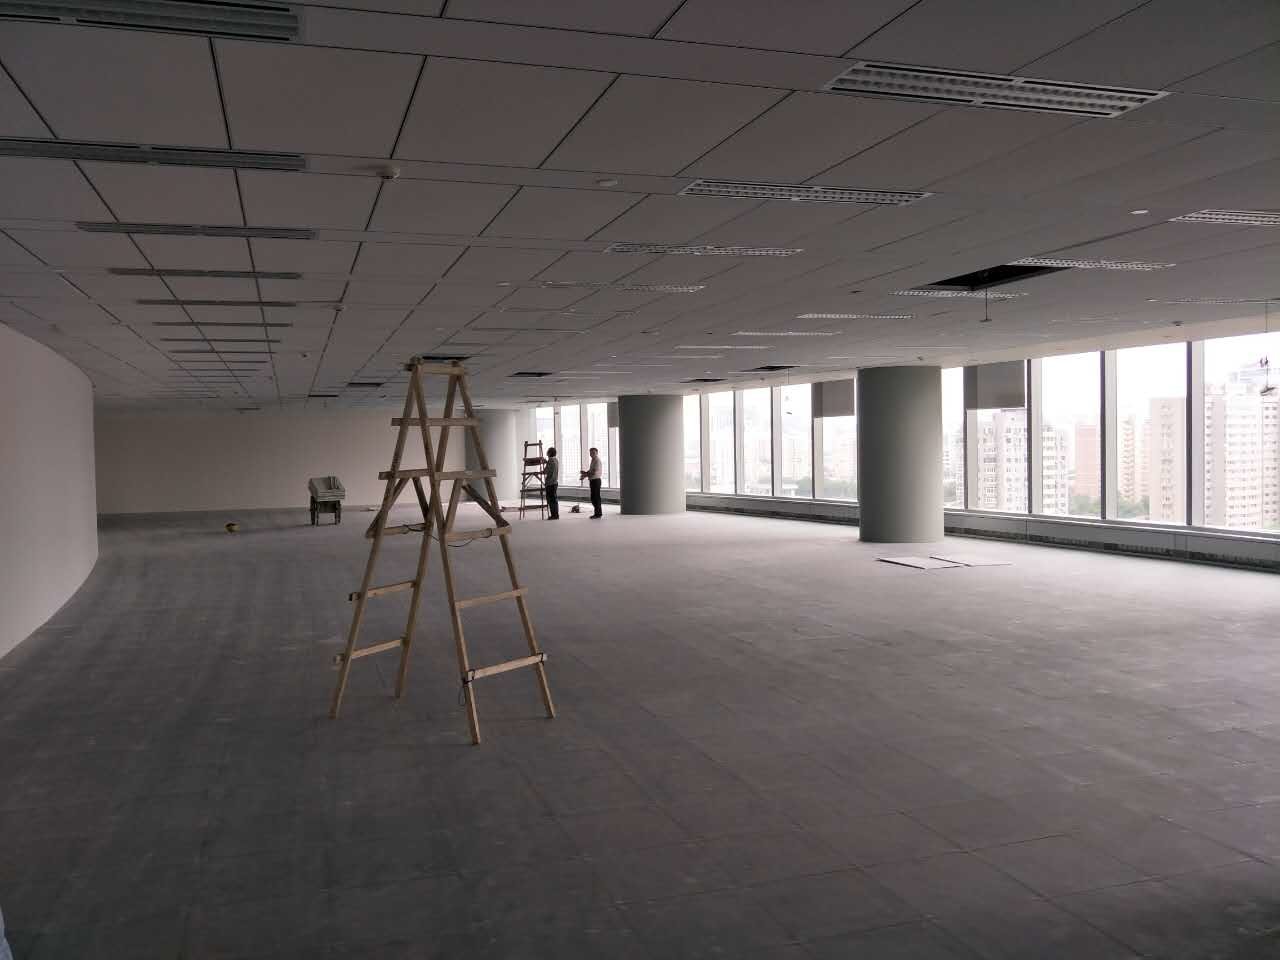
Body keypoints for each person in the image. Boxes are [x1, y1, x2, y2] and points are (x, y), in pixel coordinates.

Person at [581, 446, 603, 519]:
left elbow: (593, 472)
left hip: (596, 481)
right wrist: (585, 473)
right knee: (594, 498)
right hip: (593, 480)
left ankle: (598, 514)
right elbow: (591, 471)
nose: (592, 454)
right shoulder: (593, 460)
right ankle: (598, 513)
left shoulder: (597, 460)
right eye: (591, 453)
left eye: (593, 453)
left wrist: (585, 475)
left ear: (597, 453)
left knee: (595, 498)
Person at [543, 446, 559, 519]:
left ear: (549, 453)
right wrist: (546, 462)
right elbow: (552, 467)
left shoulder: (550, 460)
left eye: (548, 452)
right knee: (554, 500)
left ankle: (553, 515)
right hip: (555, 482)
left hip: (550, 483)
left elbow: (545, 471)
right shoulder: (556, 460)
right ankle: (556, 515)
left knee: (551, 500)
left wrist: (545, 464)